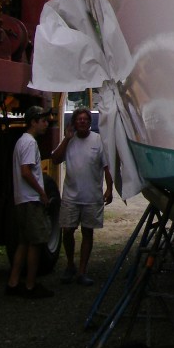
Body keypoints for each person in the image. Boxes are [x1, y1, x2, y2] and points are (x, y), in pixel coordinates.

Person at [51, 106, 113, 286]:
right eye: (79, 119)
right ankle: (70, 264)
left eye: (86, 119)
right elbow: (55, 159)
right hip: (70, 196)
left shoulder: (98, 140)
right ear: (74, 123)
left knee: (87, 232)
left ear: (90, 122)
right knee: (67, 231)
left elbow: (107, 167)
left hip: (92, 197)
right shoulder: (69, 140)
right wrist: (66, 138)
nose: (83, 122)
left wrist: (109, 189)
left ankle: (82, 271)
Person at [6, 105, 55, 299]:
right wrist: (42, 193)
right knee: (36, 243)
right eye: (43, 121)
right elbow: (26, 171)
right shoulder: (30, 143)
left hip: (22, 200)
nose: (46, 124)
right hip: (31, 200)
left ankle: (13, 282)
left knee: (23, 242)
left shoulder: (21, 141)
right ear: (33, 122)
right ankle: (30, 285)